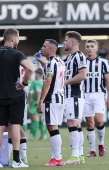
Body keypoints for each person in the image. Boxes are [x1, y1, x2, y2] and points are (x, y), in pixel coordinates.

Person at [0, 28, 33, 168]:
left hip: (1, 96)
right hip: (16, 95)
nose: (18, 41)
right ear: (14, 39)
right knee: (15, 126)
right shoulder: (16, 54)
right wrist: (25, 83)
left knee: (0, 127)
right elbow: (30, 68)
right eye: (18, 38)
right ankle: (16, 160)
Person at [36, 39, 65, 167]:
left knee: (52, 128)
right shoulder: (59, 61)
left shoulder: (50, 63)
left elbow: (47, 82)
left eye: (44, 46)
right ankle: (55, 157)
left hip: (51, 99)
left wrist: (41, 101)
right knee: (53, 127)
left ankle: (58, 158)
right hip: (60, 98)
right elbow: (50, 72)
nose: (42, 48)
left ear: (51, 49)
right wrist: (41, 61)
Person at [63, 31, 87, 165]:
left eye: (66, 40)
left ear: (72, 42)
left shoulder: (79, 56)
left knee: (72, 123)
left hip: (75, 95)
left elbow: (83, 75)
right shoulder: (68, 58)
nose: (64, 43)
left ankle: (75, 155)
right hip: (69, 95)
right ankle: (80, 155)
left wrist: (65, 83)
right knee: (76, 125)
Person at [83, 39, 109, 157]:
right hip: (85, 95)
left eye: (92, 46)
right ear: (85, 49)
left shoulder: (103, 62)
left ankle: (101, 144)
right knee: (89, 123)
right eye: (87, 46)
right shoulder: (82, 62)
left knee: (99, 120)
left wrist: (108, 96)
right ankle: (92, 150)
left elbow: (107, 80)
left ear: (97, 49)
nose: (89, 48)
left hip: (99, 94)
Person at [28, 68, 47, 140]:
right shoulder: (43, 82)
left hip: (35, 102)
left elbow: (37, 92)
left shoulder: (35, 82)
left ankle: (33, 134)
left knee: (34, 119)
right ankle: (43, 134)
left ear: (37, 74)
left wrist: (37, 100)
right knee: (42, 119)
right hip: (43, 102)